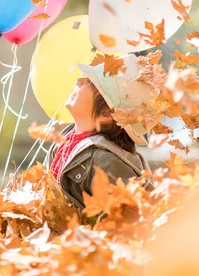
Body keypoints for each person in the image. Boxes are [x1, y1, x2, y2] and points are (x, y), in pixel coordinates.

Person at [45, 54, 156, 211]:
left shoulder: (107, 163)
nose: (79, 81)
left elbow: (121, 222)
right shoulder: (66, 140)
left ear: (106, 114)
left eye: (90, 83)